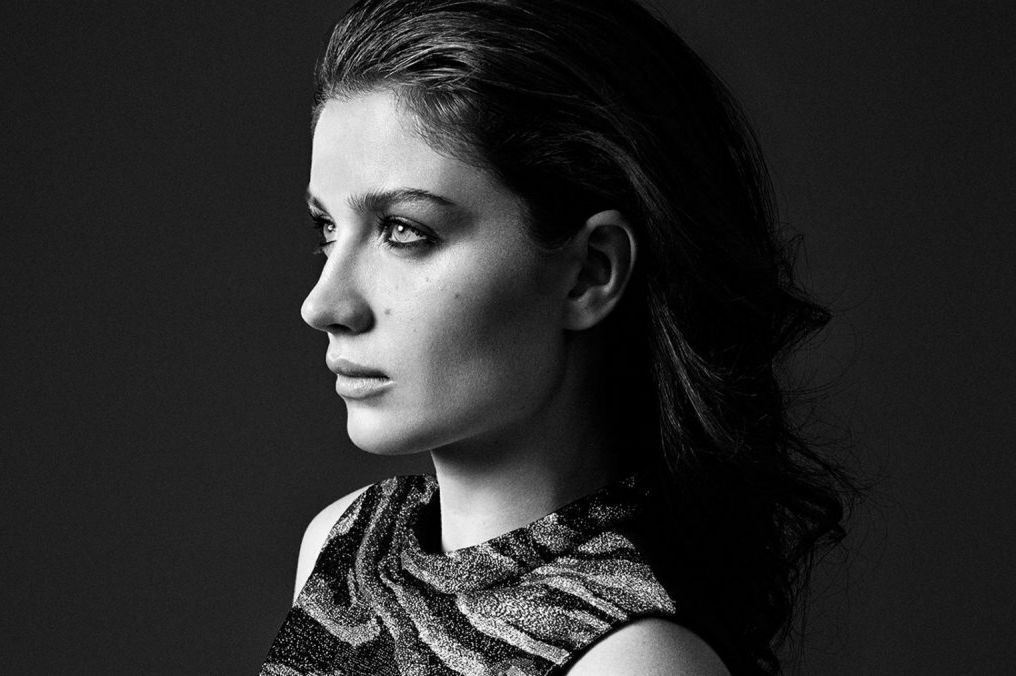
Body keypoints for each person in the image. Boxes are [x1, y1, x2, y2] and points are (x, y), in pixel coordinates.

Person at [262, 0, 852, 673]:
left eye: (404, 231)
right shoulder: (346, 548)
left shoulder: (628, 663)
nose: (323, 304)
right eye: (328, 229)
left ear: (590, 272)